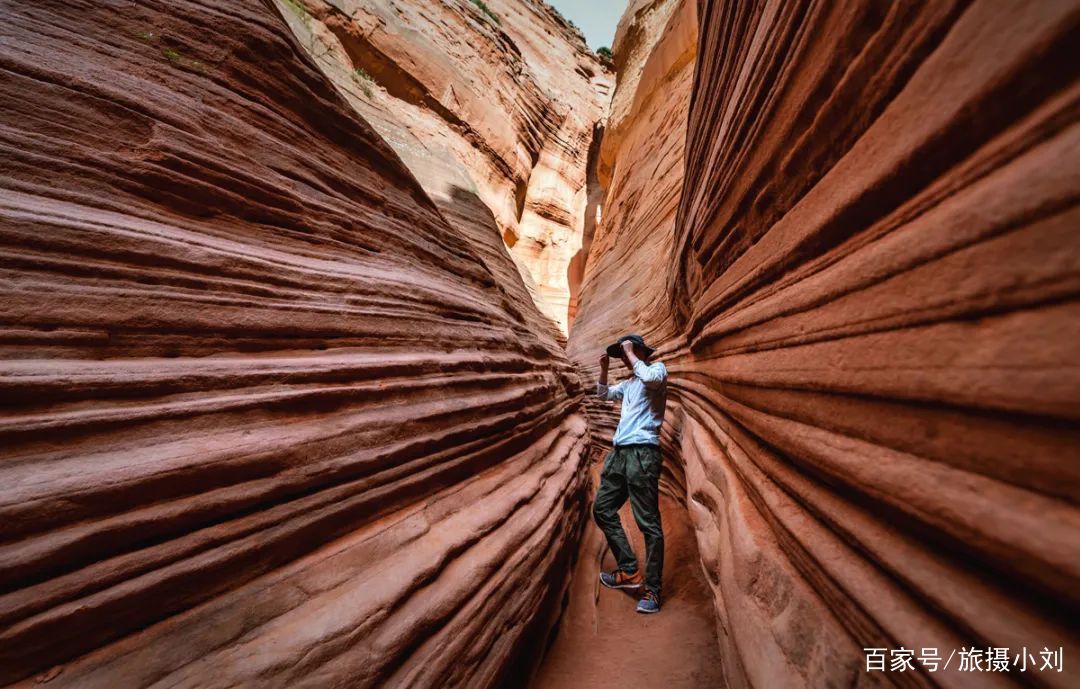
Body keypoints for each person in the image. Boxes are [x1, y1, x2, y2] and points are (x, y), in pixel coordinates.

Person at [593, 334, 668, 613]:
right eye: (622, 354)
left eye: (625, 352)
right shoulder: (628, 384)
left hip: (643, 453)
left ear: (637, 351)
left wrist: (630, 352)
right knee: (602, 509)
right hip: (620, 454)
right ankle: (629, 572)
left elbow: (651, 379)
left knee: (648, 523)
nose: (623, 358)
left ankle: (653, 591)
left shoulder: (656, 370)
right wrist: (603, 369)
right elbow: (602, 395)